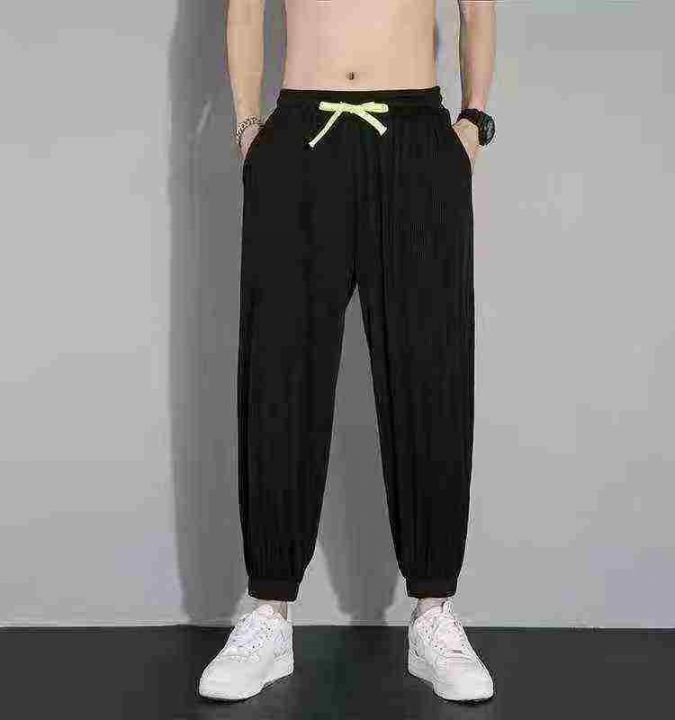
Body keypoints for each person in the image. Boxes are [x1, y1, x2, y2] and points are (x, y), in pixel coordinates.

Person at [199, 0, 497, 704]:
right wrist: (249, 129)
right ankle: (269, 614)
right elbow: (244, 12)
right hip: (301, 133)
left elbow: (478, 10)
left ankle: (434, 613)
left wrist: (473, 122)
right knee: (279, 370)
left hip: (417, 135)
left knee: (431, 369)